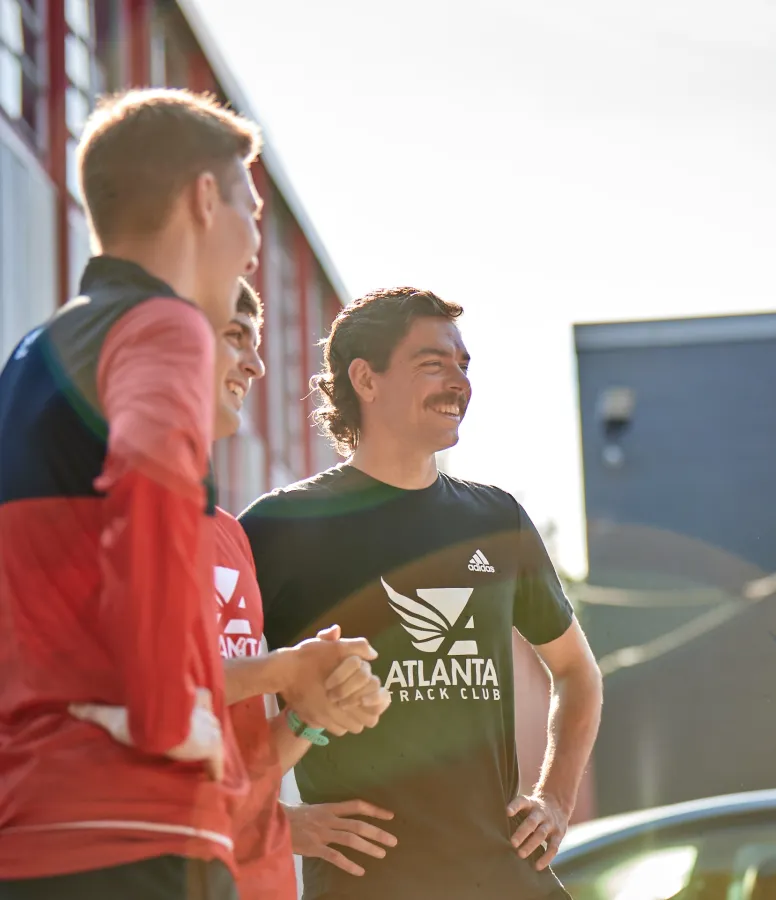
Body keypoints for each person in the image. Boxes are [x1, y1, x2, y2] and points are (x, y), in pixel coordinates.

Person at [239, 287, 605, 900]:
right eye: (432, 364)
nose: (458, 382)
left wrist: (556, 800)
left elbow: (577, 672)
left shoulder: (497, 519)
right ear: (366, 379)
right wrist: (275, 823)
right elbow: (204, 694)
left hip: (505, 879)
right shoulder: (277, 529)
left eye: (463, 365)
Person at [0, 88, 258, 898]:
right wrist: (166, 711)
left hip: (31, 824)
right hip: (137, 831)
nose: (253, 243)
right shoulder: (163, 324)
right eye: (249, 209)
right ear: (204, 199)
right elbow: (149, 489)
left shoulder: (33, 353)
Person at [72, 279, 394, 899]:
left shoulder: (228, 534)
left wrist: (311, 710)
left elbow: (240, 760)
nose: (258, 363)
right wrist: (283, 672)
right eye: (234, 336)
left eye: (258, 340)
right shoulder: (89, 514)